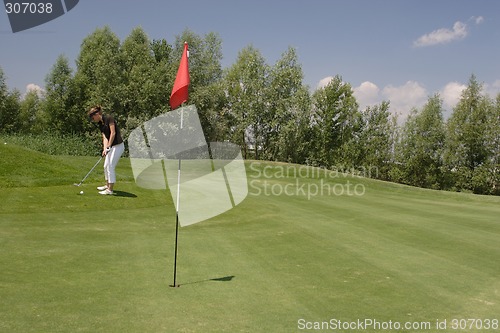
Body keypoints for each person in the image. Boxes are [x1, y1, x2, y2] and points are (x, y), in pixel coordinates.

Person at [87, 105, 125, 195]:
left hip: (118, 146)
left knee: (111, 166)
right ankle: (107, 185)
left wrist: (109, 146)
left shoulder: (109, 118)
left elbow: (113, 133)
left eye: (93, 117)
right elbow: (105, 137)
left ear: (97, 114)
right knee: (106, 166)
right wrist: (105, 149)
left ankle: (110, 190)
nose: (93, 119)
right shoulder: (100, 124)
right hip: (111, 146)